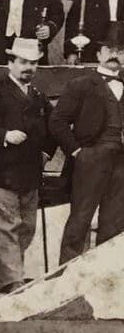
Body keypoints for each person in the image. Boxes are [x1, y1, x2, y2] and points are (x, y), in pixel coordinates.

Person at [0, 37, 52, 295]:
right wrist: (4, 135)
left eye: (33, 63)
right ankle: (12, 282)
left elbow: (54, 126)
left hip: (30, 175)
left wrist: (47, 152)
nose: (29, 68)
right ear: (11, 63)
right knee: (6, 228)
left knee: (27, 228)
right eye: (23, 62)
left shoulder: (38, 97)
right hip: (1, 175)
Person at [52, 22, 124, 264]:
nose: (114, 55)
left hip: (121, 164)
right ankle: (66, 278)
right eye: (110, 49)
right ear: (99, 54)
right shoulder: (81, 85)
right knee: (79, 222)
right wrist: (76, 152)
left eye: (120, 51)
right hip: (91, 159)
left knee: (115, 225)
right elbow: (58, 121)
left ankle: (103, 277)